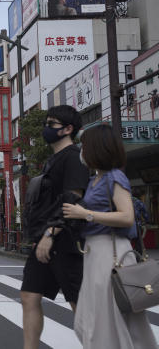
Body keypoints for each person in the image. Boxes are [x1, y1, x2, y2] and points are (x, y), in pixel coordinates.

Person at [63, 124, 157, 348]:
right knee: (96, 316)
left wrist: (85, 214)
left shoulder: (115, 177)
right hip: (96, 252)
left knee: (107, 317)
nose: (81, 152)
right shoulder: (95, 179)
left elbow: (127, 217)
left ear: (96, 148)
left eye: (84, 146)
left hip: (111, 252)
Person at [20, 105, 90, 349]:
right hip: (44, 240)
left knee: (78, 304)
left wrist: (51, 233)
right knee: (29, 295)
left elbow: (72, 199)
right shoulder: (53, 159)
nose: (46, 129)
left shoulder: (74, 157)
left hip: (65, 240)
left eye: (51, 124)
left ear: (68, 129)